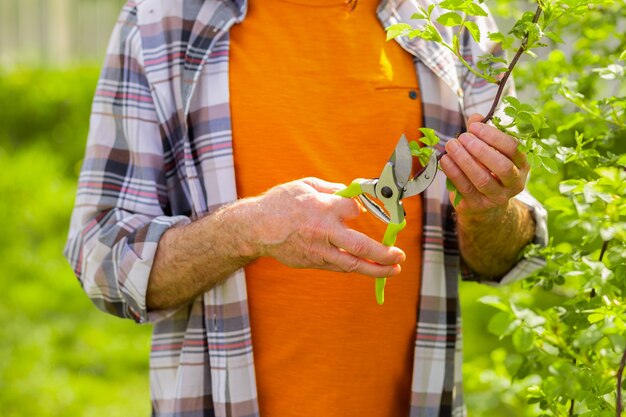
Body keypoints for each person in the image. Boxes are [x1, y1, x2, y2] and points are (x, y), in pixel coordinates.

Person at [64, 0, 547, 416]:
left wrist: (488, 209)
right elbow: (103, 255)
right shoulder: (162, 21)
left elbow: (510, 253)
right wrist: (249, 229)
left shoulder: (451, 19)